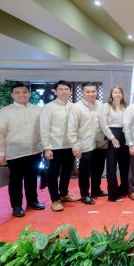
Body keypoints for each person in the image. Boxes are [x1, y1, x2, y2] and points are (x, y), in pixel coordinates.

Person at [0, 82, 45, 217]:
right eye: (17, 92)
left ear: (29, 93)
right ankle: (16, 205)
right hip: (14, 153)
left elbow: (44, 130)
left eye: (24, 92)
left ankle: (32, 201)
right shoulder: (5, 112)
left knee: (32, 178)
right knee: (15, 181)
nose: (21, 95)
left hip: (34, 151)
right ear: (12, 95)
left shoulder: (38, 110)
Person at [40, 80, 80, 212]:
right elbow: (44, 129)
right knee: (53, 173)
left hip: (70, 146)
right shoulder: (48, 107)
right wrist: (47, 147)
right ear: (55, 91)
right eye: (60, 89)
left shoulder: (74, 106)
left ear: (70, 91)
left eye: (66, 89)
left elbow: (77, 128)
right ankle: (55, 199)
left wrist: (76, 145)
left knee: (67, 172)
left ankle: (64, 194)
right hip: (54, 146)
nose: (63, 91)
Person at [68, 82, 107, 205]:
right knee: (84, 171)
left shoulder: (100, 105)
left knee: (98, 168)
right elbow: (72, 128)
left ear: (96, 92)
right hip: (84, 144)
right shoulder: (76, 107)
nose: (91, 94)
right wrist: (74, 146)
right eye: (88, 92)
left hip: (100, 143)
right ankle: (85, 194)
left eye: (93, 91)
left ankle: (96, 190)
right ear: (83, 93)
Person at [100, 85, 129, 202]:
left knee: (124, 165)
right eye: (115, 92)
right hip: (112, 135)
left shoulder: (125, 107)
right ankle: (113, 193)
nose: (117, 94)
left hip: (124, 135)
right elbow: (103, 124)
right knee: (112, 166)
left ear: (122, 95)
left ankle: (124, 189)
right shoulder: (106, 106)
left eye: (119, 92)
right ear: (111, 94)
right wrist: (112, 137)